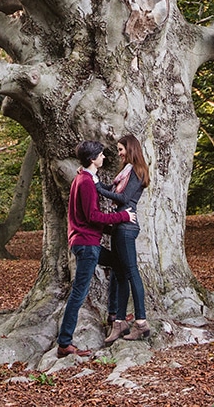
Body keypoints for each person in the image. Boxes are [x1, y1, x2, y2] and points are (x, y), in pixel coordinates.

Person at [56, 140, 135, 358]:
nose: (104, 157)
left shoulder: (85, 178)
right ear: (92, 159)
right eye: (101, 155)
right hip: (86, 244)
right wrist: (123, 216)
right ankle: (64, 343)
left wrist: (111, 228)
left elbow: (87, 217)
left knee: (119, 266)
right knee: (79, 294)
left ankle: (113, 315)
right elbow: (91, 216)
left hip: (87, 241)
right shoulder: (85, 183)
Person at [97, 133, 151, 344]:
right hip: (119, 226)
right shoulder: (125, 173)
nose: (118, 153)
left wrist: (98, 188)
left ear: (131, 149)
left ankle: (141, 323)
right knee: (119, 275)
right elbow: (113, 190)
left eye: (121, 149)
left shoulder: (137, 171)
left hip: (127, 227)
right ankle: (119, 321)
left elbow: (123, 198)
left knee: (131, 273)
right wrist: (96, 182)